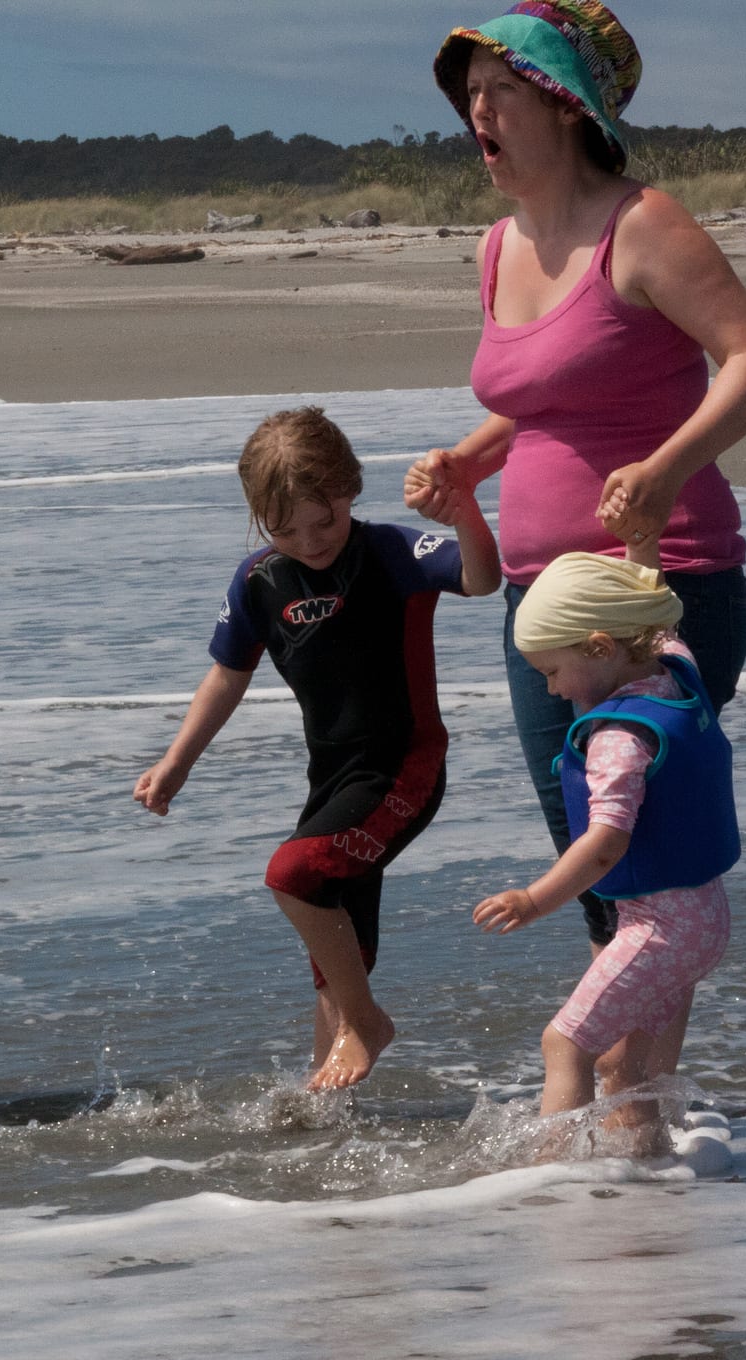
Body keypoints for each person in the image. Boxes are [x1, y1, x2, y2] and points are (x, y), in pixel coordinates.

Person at [406, 0, 746, 1076]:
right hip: (544, 605)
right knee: (585, 846)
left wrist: (664, 470)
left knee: (638, 854)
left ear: (566, 107)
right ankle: (632, 1110)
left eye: (501, 92)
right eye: (467, 96)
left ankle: (624, 1106)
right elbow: (544, 397)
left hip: (654, 587)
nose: (477, 113)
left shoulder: (645, 224)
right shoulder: (496, 245)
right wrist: (469, 461)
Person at [135, 407, 500, 1090]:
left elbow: (482, 580)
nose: (310, 541)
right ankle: (326, 1114)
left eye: (324, 520)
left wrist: (467, 517)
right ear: (259, 519)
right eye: (285, 529)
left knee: (294, 874)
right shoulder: (258, 582)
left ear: (352, 488)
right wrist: (176, 762)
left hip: (404, 767)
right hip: (332, 779)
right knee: (337, 950)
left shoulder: (390, 553)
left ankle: (367, 1024)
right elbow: (226, 675)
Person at [470, 521, 736, 1155]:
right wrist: (639, 546)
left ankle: (552, 1176)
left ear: (597, 648)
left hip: (658, 927)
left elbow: (607, 843)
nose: (551, 689)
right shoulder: (675, 672)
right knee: (624, 1064)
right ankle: (648, 1167)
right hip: (703, 919)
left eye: (553, 670)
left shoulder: (618, 739)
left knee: (566, 1043)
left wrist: (535, 899)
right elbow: (655, 615)